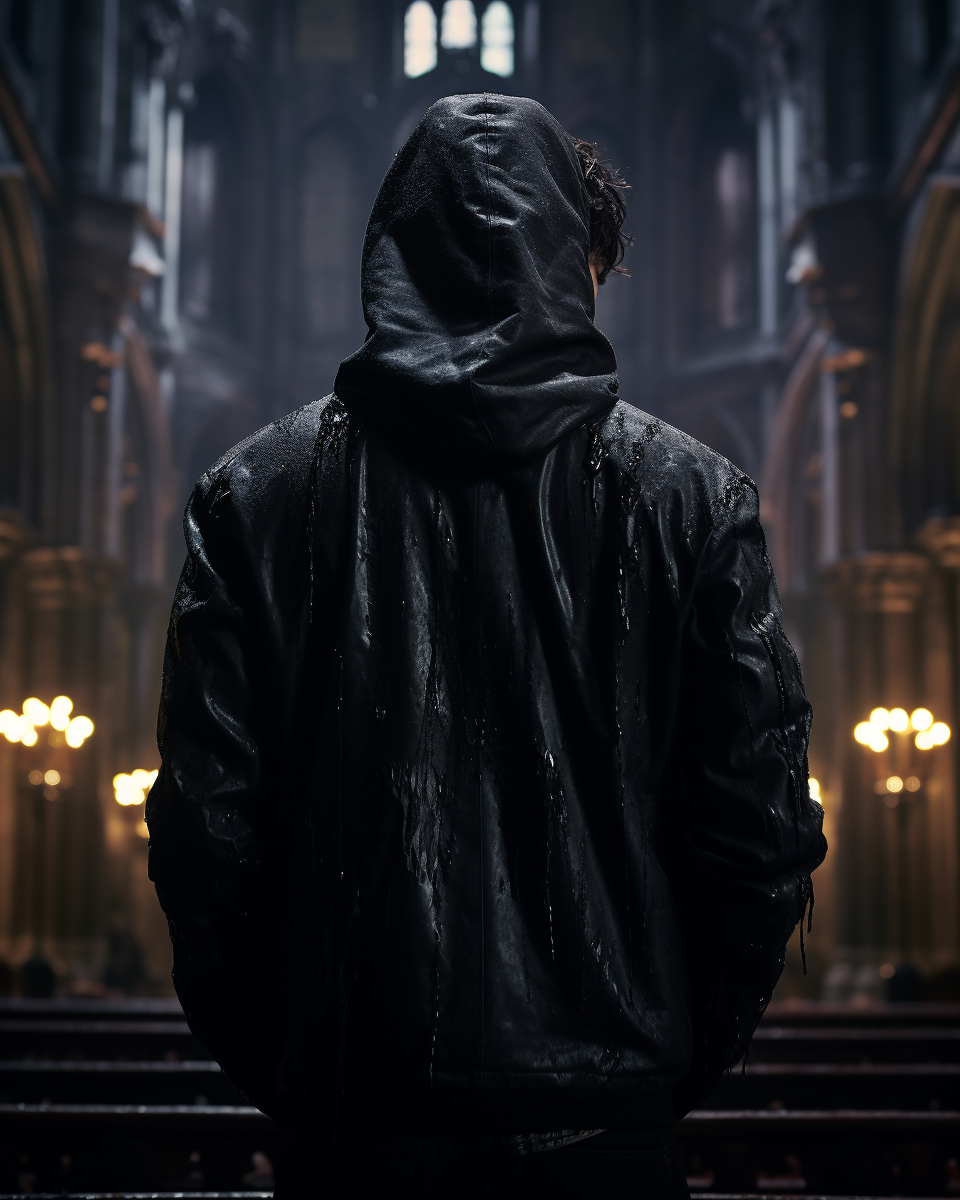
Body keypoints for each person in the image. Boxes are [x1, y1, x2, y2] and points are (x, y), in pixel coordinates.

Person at [146, 94, 826, 1197]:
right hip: (603, 1137)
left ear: (394, 252)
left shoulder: (254, 496)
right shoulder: (691, 497)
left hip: (350, 1129)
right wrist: (650, 1064)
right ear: (579, 263)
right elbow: (759, 839)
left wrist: (297, 1064)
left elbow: (205, 839)